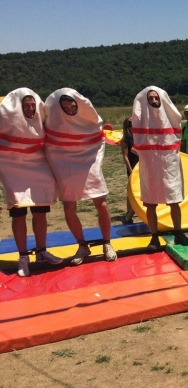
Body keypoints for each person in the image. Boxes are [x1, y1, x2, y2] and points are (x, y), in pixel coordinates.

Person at [44, 88, 117, 265]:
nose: (68, 108)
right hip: (65, 164)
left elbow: (98, 133)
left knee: (102, 203)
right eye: (65, 105)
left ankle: (107, 243)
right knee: (69, 207)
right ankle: (82, 245)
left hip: (88, 161)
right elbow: (49, 141)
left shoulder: (88, 118)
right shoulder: (54, 120)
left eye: (71, 104)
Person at [0, 88, 62, 277]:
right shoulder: (5, 122)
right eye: (26, 105)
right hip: (13, 170)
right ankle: (23, 257)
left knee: (40, 212)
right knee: (18, 213)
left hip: (38, 168)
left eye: (32, 105)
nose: (30, 108)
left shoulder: (41, 121)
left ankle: (41, 252)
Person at [131, 86, 188, 248]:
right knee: (150, 203)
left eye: (156, 98)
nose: (153, 101)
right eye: (150, 98)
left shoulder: (170, 118)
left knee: (174, 201)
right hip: (150, 166)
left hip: (168, 165)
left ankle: (179, 233)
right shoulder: (142, 120)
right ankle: (154, 237)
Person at [120, 117, 138, 224]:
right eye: (131, 125)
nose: (133, 127)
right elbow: (125, 156)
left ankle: (131, 212)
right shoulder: (126, 140)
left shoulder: (138, 137)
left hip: (140, 165)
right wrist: (130, 169)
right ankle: (128, 213)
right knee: (131, 191)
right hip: (132, 166)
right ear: (127, 127)